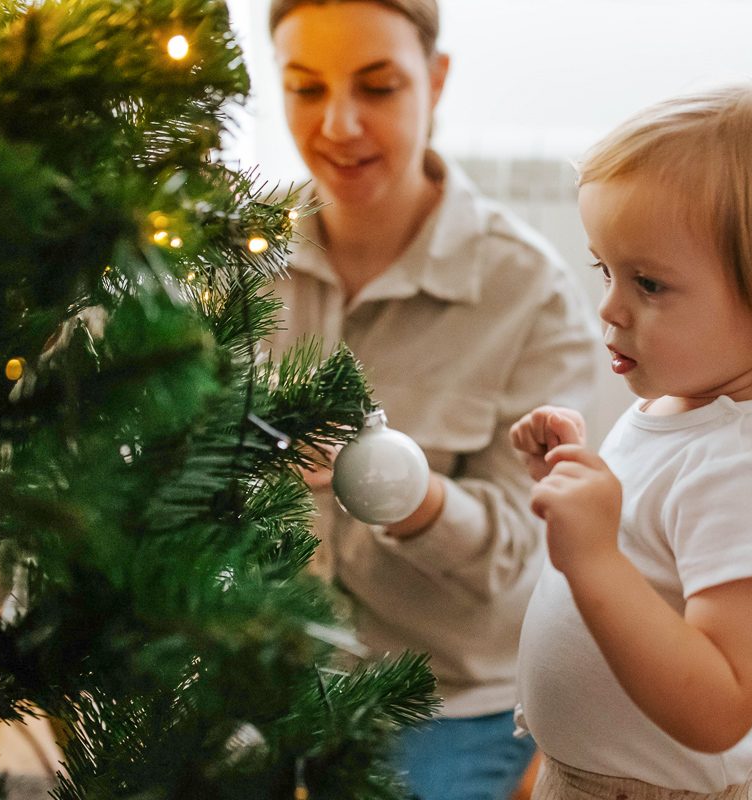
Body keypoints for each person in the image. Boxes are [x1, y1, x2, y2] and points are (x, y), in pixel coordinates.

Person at [510, 84, 752, 799]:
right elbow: (648, 540)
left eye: (649, 283)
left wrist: (592, 555)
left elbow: (720, 706)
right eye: (606, 269)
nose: (609, 306)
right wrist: (578, 471)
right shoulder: (679, 403)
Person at [265, 2, 598, 798]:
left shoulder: (530, 294)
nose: (338, 125)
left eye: (376, 87)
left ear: (436, 79)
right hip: (264, 658)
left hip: (446, 700)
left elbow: (519, 550)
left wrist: (397, 489)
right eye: (305, 89)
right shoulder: (245, 250)